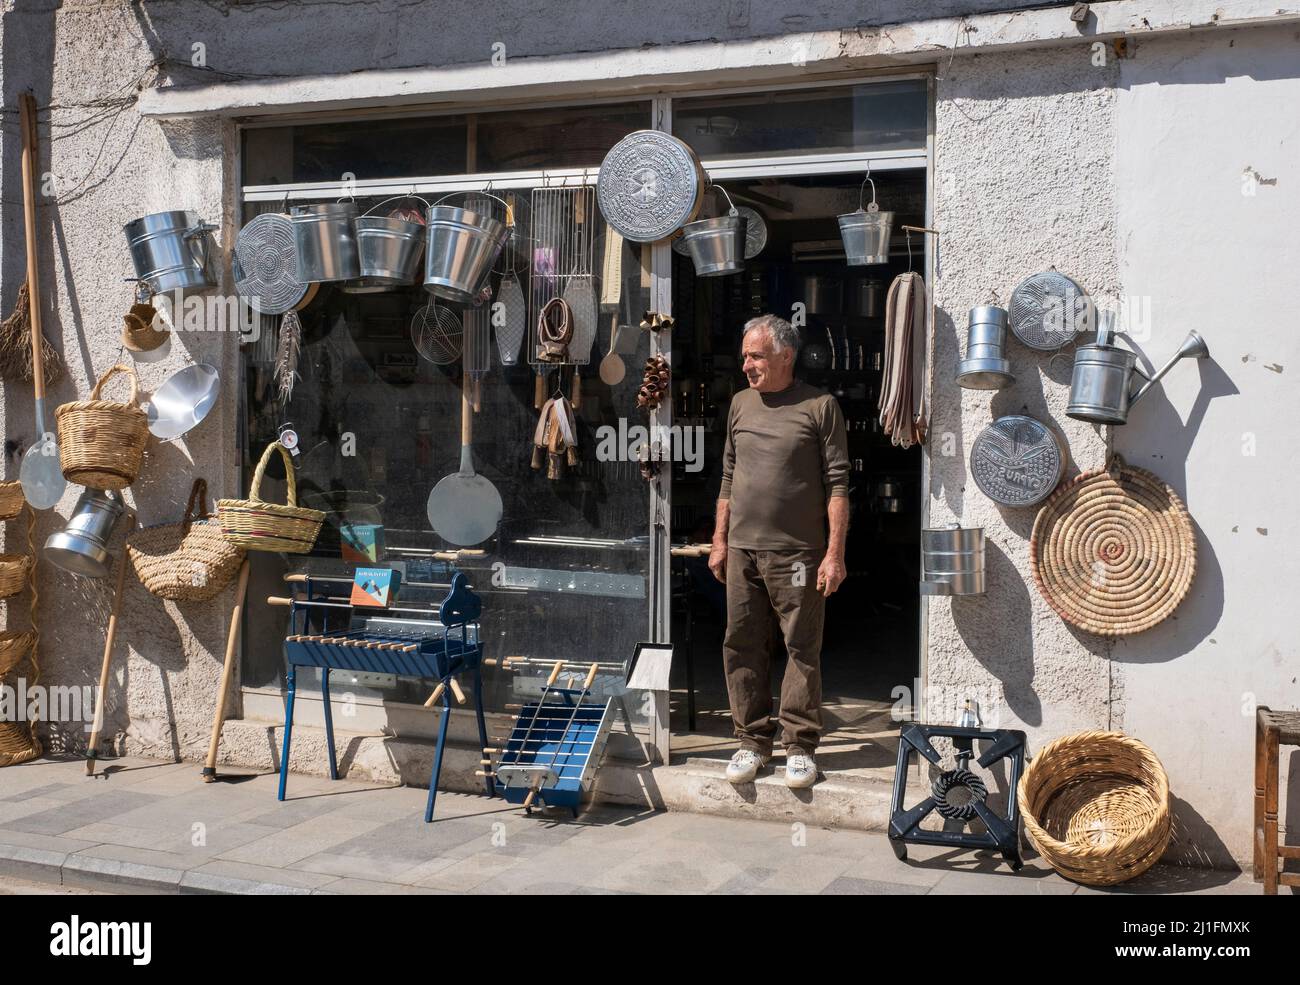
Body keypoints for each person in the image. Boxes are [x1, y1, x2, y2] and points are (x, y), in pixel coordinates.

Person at [709, 314, 850, 789]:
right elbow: (728, 476)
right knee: (741, 642)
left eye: (756, 356)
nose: (746, 364)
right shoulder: (740, 404)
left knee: (800, 647)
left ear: (785, 356)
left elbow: (838, 485)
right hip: (743, 551)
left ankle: (800, 747)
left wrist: (834, 553)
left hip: (798, 555)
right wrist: (719, 539)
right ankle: (750, 740)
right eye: (745, 355)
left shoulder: (820, 406)